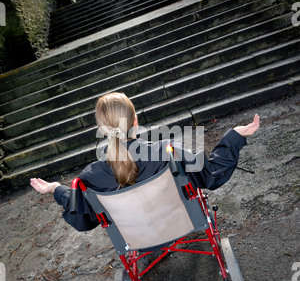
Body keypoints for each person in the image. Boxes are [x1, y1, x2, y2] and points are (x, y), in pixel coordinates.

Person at [30, 92, 260, 231]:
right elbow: (213, 174)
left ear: (102, 130)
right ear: (136, 120)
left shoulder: (90, 176)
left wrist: (56, 189)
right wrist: (235, 136)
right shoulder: (168, 152)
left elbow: (81, 218)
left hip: (138, 234)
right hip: (183, 222)